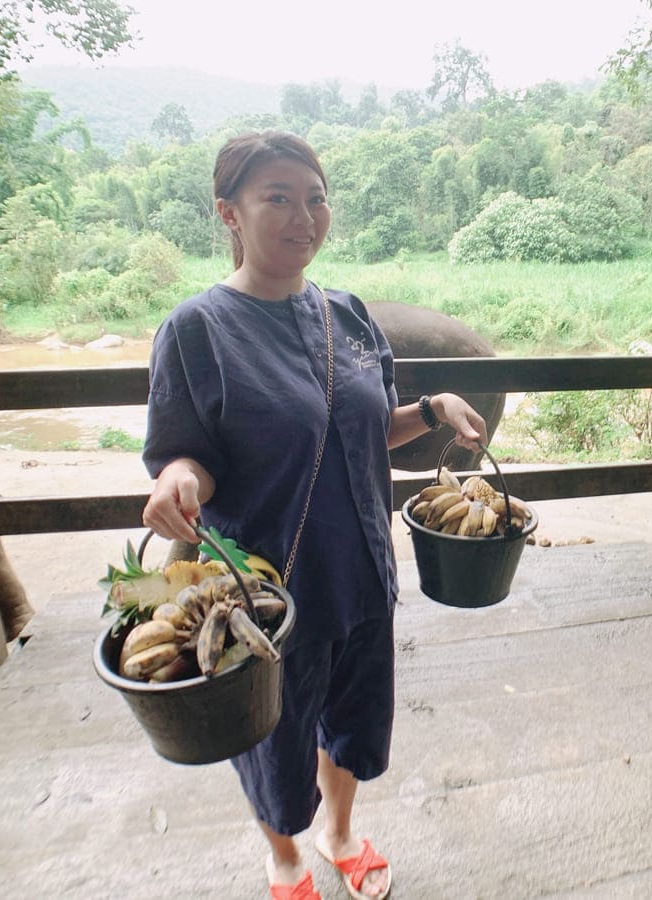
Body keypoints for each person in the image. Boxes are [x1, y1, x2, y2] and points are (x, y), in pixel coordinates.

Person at [141, 130, 487, 900]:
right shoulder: (197, 330)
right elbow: (185, 452)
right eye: (279, 199)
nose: (304, 215)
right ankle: (287, 857)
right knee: (272, 737)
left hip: (362, 569)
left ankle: (337, 834)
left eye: (316, 197)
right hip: (269, 592)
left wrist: (431, 409)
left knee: (356, 719)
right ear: (229, 213)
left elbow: (362, 429)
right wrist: (177, 481)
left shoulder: (348, 314)